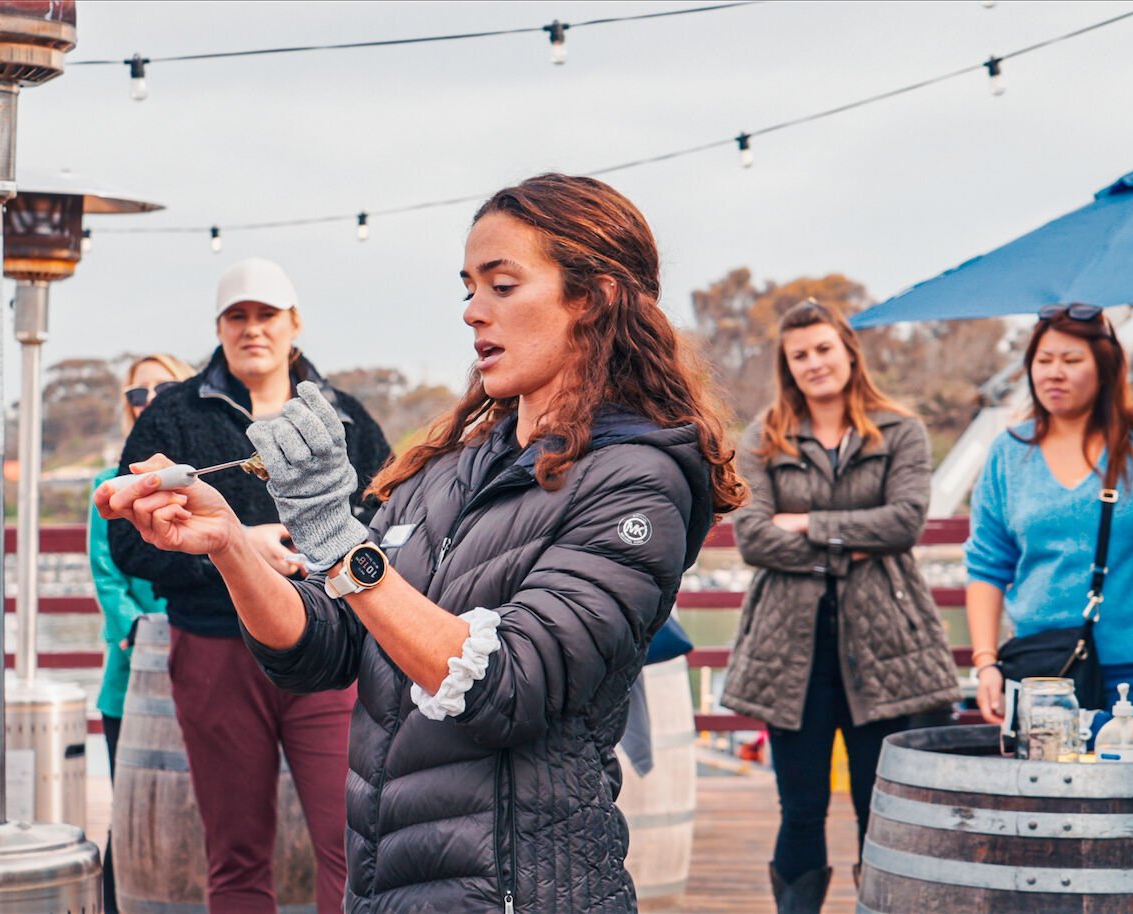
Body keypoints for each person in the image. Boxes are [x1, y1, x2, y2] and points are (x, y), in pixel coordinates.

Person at [99, 173, 746, 914]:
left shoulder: (638, 480)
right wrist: (228, 546)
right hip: (393, 886)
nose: (473, 311)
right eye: (469, 286)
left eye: (502, 285)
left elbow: (507, 686)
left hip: (518, 890)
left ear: (593, 299)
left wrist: (336, 537)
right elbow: (328, 642)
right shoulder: (453, 465)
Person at [108, 258, 391, 914]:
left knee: (349, 842)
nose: (252, 328)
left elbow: (386, 516)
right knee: (234, 852)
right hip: (214, 651)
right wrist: (237, 556)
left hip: (332, 654)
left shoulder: (344, 417)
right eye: (238, 316)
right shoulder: (170, 418)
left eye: (266, 315)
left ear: (294, 323)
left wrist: (326, 559)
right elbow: (127, 541)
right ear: (219, 326)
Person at [719, 299, 960, 913]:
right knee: (799, 809)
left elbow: (904, 523)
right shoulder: (764, 437)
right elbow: (754, 537)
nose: (814, 363)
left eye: (823, 348)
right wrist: (849, 543)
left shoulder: (899, 430)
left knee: (876, 805)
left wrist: (810, 525)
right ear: (787, 365)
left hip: (883, 651)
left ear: (848, 350)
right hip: (789, 654)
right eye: (800, 355)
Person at [966, 303, 1133, 730]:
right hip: (1043, 671)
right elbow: (987, 564)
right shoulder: (1009, 453)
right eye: (1043, 361)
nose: (1053, 373)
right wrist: (986, 662)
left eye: (1071, 360)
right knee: (1046, 793)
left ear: (1105, 368)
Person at [89, 351, 194, 913]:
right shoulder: (107, 485)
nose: (149, 400)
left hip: (205, 663)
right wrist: (138, 628)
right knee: (128, 816)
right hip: (133, 676)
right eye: (137, 394)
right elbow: (106, 576)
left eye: (164, 389)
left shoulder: (201, 485)